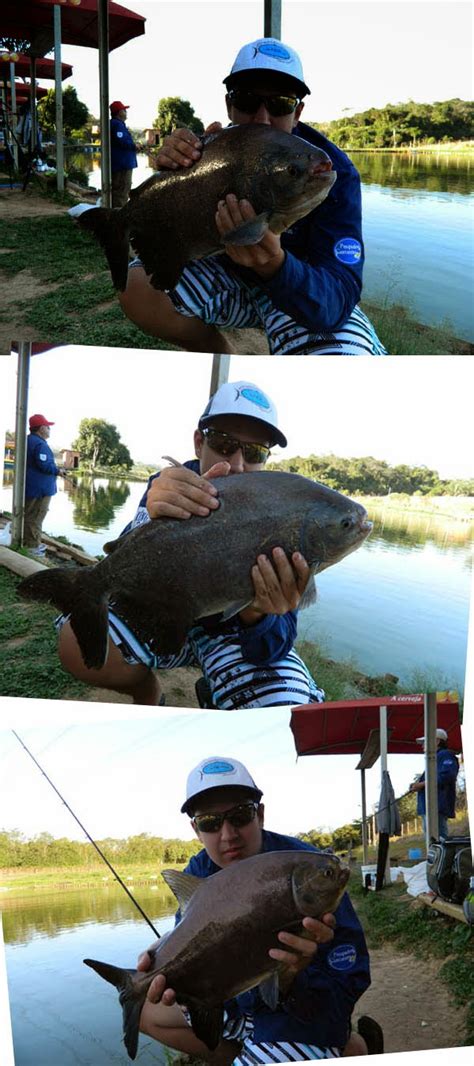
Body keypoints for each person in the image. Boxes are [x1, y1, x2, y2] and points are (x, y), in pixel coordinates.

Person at [58, 380, 325, 709]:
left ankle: (215, 691)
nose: (239, 463)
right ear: (199, 442)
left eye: (255, 452)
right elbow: (127, 559)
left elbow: (273, 646)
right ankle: (148, 692)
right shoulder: (172, 487)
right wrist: (150, 515)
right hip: (166, 616)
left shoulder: (284, 513)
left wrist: (258, 612)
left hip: (234, 637)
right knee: (73, 643)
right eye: (224, 444)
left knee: (282, 702)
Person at [119, 38, 387, 357]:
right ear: (230, 105)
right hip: (230, 283)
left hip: (300, 289)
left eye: (281, 104)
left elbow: (338, 296)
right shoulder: (207, 151)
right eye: (247, 100)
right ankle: (226, 358)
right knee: (136, 287)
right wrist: (170, 178)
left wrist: (276, 265)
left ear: (297, 112)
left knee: (342, 360)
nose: (262, 117)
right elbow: (175, 237)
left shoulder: (330, 171)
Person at [137, 755, 383, 1060]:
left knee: (310, 1028)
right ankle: (264, 1051)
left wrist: (292, 977)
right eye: (210, 822)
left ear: (260, 815)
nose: (228, 835)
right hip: (235, 1002)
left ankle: (345, 1047)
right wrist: (160, 952)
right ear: (196, 830)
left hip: (300, 1013)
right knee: (144, 1013)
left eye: (240, 815)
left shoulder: (310, 871)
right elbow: (188, 935)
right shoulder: (200, 870)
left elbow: (349, 978)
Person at [24, 413, 65, 556]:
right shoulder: (40, 444)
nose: (49, 430)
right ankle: (32, 547)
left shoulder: (28, 441)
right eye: (48, 427)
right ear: (41, 428)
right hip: (39, 489)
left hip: (31, 486)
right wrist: (58, 471)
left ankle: (30, 542)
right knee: (36, 516)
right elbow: (44, 465)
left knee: (30, 515)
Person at [409, 728, 460, 838]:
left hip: (437, 805)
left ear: (437, 741)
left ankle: (443, 855)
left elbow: (447, 776)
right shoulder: (435, 758)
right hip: (430, 806)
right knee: (432, 839)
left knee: (438, 838)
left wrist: (421, 785)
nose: (422, 745)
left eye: (425, 742)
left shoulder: (445, 755)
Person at [110, 100, 138, 208]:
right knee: (122, 190)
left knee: (122, 189)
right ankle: (119, 214)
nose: (126, 111)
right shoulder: (117, 125)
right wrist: (135, 146)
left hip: (122, 163)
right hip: (122, 164)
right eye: (124, 110)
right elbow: (122, 141)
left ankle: (118, 212)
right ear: (119, 112)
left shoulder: (117, 124)